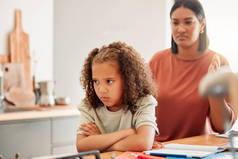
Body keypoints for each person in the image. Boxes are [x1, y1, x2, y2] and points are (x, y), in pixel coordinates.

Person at [149, 0, 236, 142]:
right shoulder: (157, 60)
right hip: (158, 147)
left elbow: (222, 127)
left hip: (198, 149)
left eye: (188, 22)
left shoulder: (219, 63)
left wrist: (214, 91)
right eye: (175, 23)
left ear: (202, 24)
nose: (181, 29)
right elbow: (138, 110)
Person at [76, 41, 159, 152]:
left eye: (109, 81)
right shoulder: (89, 105)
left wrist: (100, 142)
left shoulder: (144, 102)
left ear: (127, 80)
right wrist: (127, 133)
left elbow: (143, 143)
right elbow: (81, 146)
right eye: (96, 81)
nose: (101, 89)